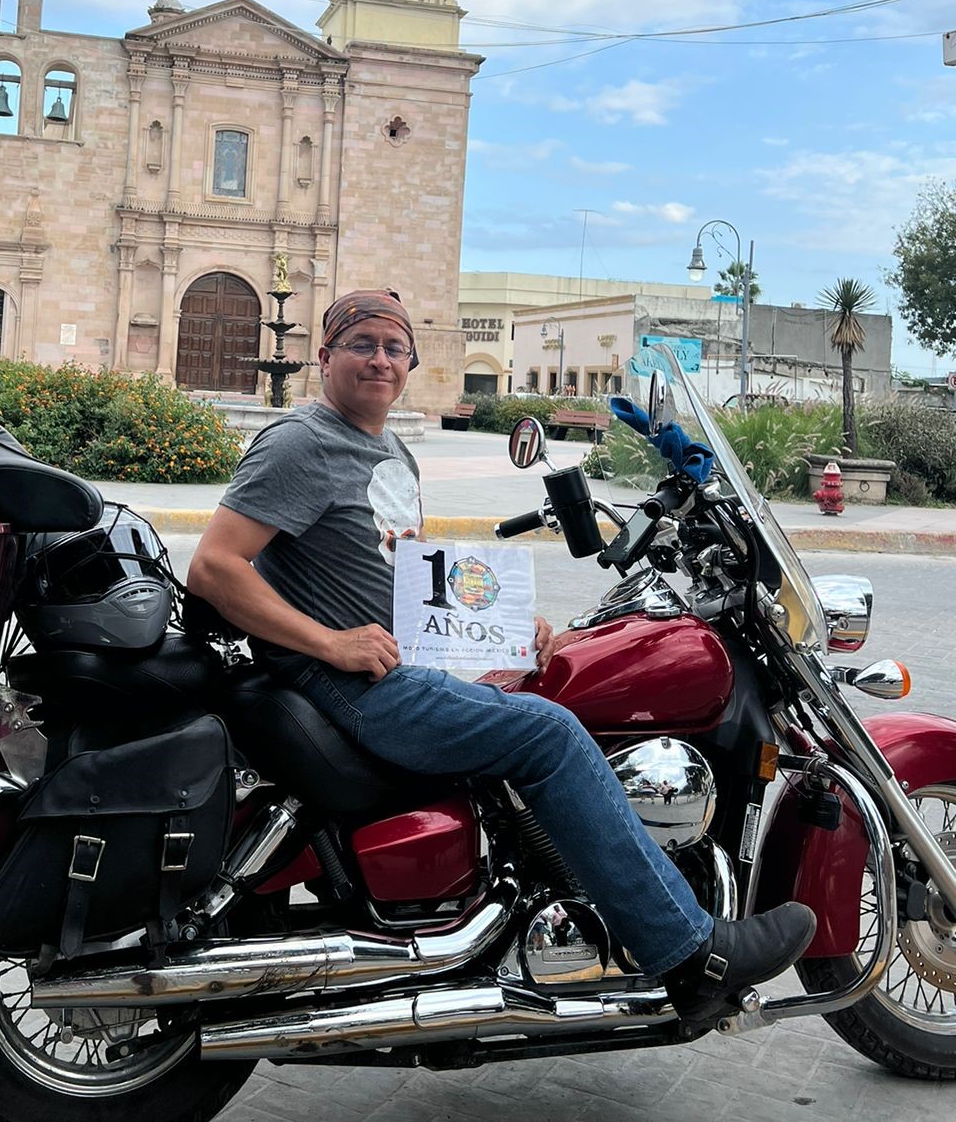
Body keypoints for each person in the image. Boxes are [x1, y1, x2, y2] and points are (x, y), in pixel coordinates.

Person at [187, 288, 815, 1031]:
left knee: (538, 686)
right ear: (325, 357)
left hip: (389, 667)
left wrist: (507, 629)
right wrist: (331, 643)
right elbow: (215, 568)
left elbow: (410, 581)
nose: (380, 359)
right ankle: (689, 953)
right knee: (549, 733)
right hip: (344, 682)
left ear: (411, 363)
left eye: (395, 347)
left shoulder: (391, 449)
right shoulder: (302, 442)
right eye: (362, 344)